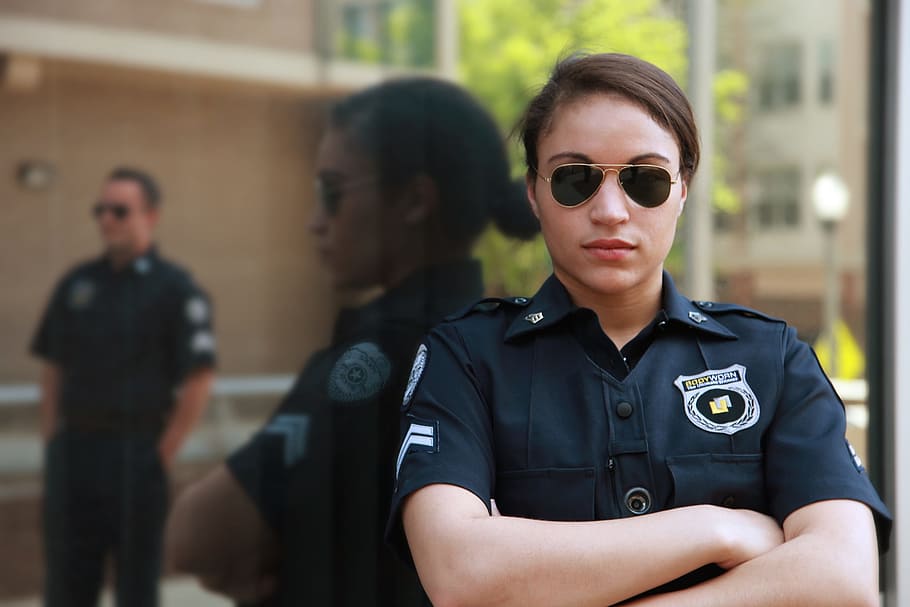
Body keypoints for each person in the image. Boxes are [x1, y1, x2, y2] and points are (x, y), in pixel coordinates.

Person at [389, 53, 892, 607]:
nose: (610, 210)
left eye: (644, 180)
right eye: (575, 179)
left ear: (682, 189)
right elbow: (460, 572)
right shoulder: (466, 357)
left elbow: (843, 580)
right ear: (533, 192)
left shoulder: (770, 357)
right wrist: (714, 530)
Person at [165, 77, 538, 606]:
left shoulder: (385, 351)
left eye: (331, 191)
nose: (314, 221)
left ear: (414, 200)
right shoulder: (506, 340)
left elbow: (198, 538)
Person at [31, 167, 216, 607]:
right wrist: (53, 438)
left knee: (136, 586)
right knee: (65, 584)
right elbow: (54, 365)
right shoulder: (78, 284)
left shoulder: (176, 289)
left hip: (136, 456)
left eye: (119, 210)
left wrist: (161, 453)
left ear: (150, 216)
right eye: (100, 209)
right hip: (74, 455)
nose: (106, 219)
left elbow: (199, 376)